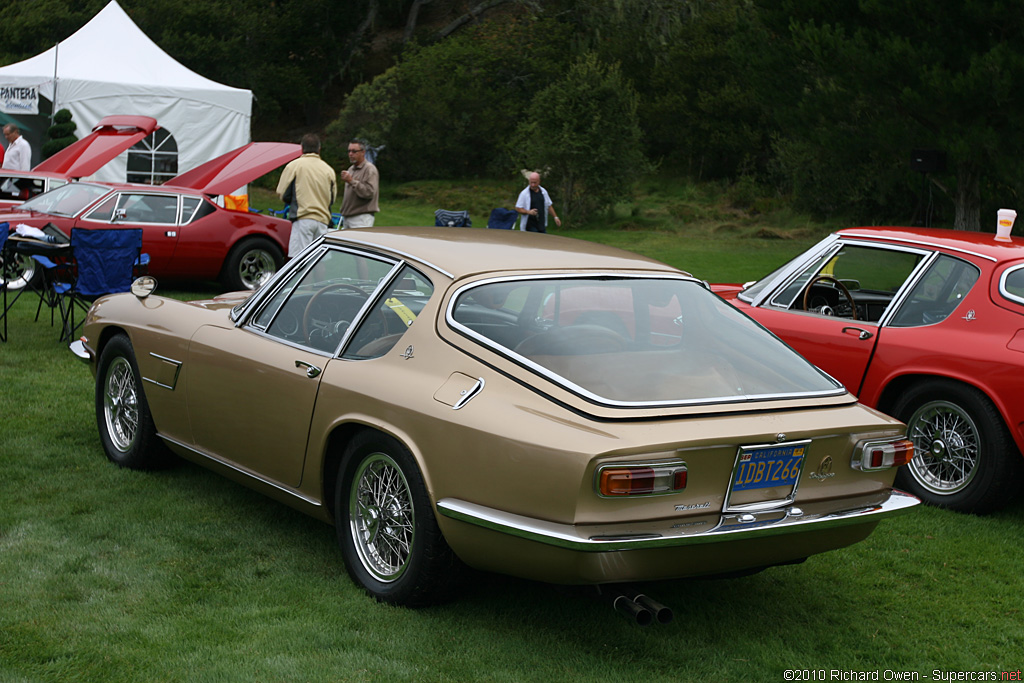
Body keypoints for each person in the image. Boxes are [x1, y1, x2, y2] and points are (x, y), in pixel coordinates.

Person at [276, 133, 336, 257]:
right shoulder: (328, 170)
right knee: (318, 260)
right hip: (323, 221)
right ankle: (319, 278)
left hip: (303, 218)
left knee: (298, 259)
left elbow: (282, 192)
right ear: (319, 149)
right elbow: (332, 198)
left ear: (301, 148)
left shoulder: (294, 166)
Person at [339, 139, 379, 228]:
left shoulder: (369, 169)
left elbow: (369, 192)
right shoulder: (351, 169)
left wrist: (351, 181)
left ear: (363, 152)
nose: (350, 154)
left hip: (361, 218)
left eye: (354, 151)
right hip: (347, 217)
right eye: (349, 151)